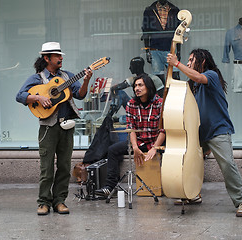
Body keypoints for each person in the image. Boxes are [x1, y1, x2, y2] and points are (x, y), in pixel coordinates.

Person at [16, 42, 93, 215]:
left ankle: (60, 201)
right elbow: (19, 96)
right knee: (47, 168)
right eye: (57, 56)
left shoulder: (67, 76)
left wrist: (86, 80)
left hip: (66, 125)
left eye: (61, 55)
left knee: (65, 166)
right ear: (46, 58)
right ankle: (43, 202)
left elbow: (80, 95)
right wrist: (38, 97)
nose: (61, 58)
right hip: (47, 128)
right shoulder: (37, 78)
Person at [167, 48, 242, 217]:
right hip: (200, 132)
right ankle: (192, 194)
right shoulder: (194, 85)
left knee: (227, 165)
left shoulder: (211, 75)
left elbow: (198, 77)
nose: (188, 63)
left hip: (218, 130)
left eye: (191, 60)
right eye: (186, 60)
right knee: (189, 163)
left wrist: (176, 63)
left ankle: (241, 200)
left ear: (201, 62)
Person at [95, 73, 165, 196]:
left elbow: (164, 130)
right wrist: (135, 147)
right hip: (140, 143)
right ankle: (110, 187)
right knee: (112, 150)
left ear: (148, 86)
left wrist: (155, 148)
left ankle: (166, 185)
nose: (136, 88)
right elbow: (131, 128)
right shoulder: (131, 104)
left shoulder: (160, 103)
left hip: (157, 142)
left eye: (140, 85)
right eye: (135, 86)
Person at [142, 0, 181, 83]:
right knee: (158, 79)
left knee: (175, 76)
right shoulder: (149, 10)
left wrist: (179, 51)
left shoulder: (174, 10)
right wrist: (147, 51)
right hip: (155, 48)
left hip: (171, 48)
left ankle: (174, 94)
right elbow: (145, 31)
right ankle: (161, 96)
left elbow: (178, 32)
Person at [222, 17, 242, 93]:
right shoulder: (231, 32)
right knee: (237, 91)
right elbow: (226, 50)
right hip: (239, 66)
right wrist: (226, 63)